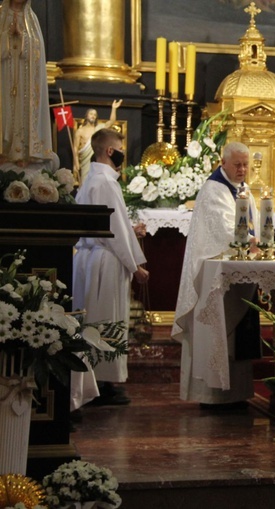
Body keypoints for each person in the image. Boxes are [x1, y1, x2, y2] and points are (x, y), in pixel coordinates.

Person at [173, 141, 261, 406]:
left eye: (245, 164)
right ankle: (210, 396)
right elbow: (223, 229)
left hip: (237, 270)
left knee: (239, 331)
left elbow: (254, 227)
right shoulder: (213, 189)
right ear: (223, 163)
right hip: (213, 275)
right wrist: (251, 241)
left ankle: (237, 394)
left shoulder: (244, 190)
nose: (242, 169)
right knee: (217, 329)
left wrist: (256, 241)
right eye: (237, 164)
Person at [72, 129, 149, 407]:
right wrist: (135, 265)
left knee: (94, 319)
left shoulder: (92, 179)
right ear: (109, 151)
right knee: (106, 320)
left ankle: (96, 381)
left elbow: (105, 222)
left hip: (92, 257)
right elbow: (113, 230)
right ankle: (103, 384)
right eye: (119, 147)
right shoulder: (105, 181)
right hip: (106, 260)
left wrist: (131, 229)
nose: (121, 152)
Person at [0, 0, 55, 169]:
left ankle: (22, 153)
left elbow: (36, 52)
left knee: (22, 112)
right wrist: (7, 37)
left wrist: (22, 37)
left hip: (25, 79)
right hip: (4, 76)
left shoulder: (31, 19)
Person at [73, 100, 122, 184]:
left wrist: (113, 108)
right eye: (91, 114)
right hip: (85, 162)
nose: (93, 116)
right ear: (86, 116)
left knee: (96, 180)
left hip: (97, 159)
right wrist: (76, 163)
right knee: (85, 181)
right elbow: (75, 147)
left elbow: (111, 122)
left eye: (95, 115)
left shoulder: (98, 128)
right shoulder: (80, 131)